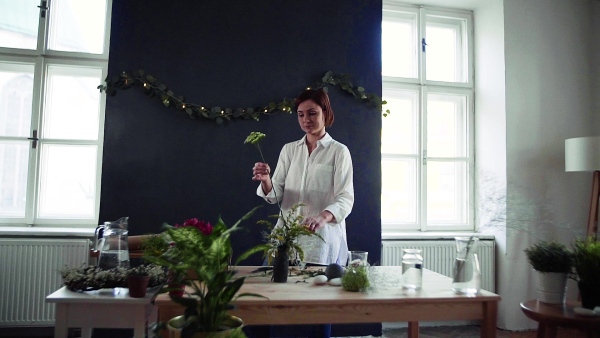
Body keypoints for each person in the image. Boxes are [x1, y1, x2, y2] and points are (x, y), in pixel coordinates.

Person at [246, 88, 354, 338]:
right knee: (275, 304)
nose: (306, 119)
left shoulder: (339, 152)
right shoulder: (289, 150)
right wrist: (265, 180)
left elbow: (345, 198)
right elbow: (275, 195)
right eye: (301, 114)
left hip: (320, 242)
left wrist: (323, 217)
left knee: (316, 309)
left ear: (325, 113)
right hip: (284, 241)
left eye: (312, 113)